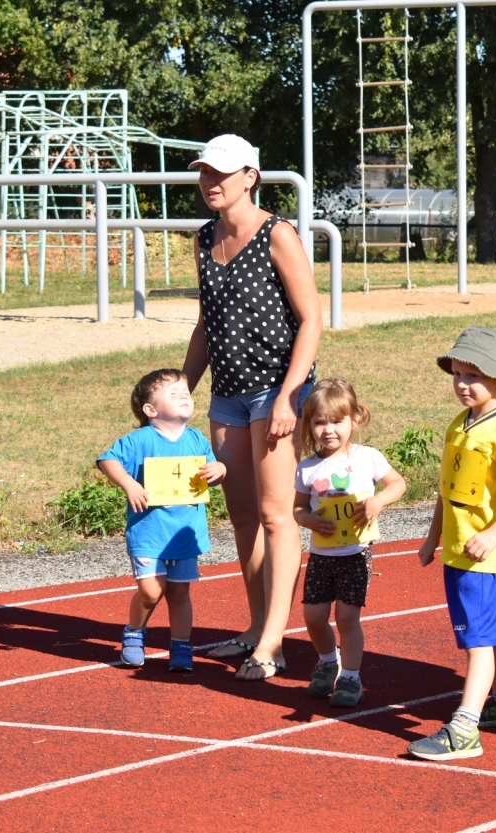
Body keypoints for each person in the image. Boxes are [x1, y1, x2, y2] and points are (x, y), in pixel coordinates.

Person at [182, 134, 323, 680]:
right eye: (204, 173)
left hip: (276, 392)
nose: (211, 183)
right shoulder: (203, 238)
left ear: (250, 177)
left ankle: (272, 642)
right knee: (243, 519)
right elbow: (204, 324)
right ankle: (256, 625)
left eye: (222, 173)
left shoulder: (278, 234)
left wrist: (291, 396)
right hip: (228, 396)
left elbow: (310, 319)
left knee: (275, 515)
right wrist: (180, 390)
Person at [409, 328, 496, 761]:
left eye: (474, 376)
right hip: (459, 550)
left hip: (486, 556)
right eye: (457, 374)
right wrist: (432, 538)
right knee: (490, 633)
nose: (462, 383)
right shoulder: (458, 426)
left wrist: (493, 533)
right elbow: (448, 491)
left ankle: (465, 728)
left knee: (477, 642)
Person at [98, 369, 227, 673]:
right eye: (174, 393)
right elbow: (107, 460)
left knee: (180, 592)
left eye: (186, 392)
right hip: (150, 534)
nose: (184, 396)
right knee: (152, 591)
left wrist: (219, 469)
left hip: (184, 535)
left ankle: (181, 644)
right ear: (150, 410)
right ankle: (134, 630)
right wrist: (130, 484)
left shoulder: (197, 439)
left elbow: (214, 469)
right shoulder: (140, 440)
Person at [294, 379, 406, 707]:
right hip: (321, 554)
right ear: (309, 425)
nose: (328, 430)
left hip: (356, 552)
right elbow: (299, 508)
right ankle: (329, 661)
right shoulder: (307, 467)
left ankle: (351, 678)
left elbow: (397, 483)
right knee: (313, 616)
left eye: (337, 421)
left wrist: (378, 501)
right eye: (319, 422)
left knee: (346, 617)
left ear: (354, 420)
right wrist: (308, 519)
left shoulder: (367, 457)